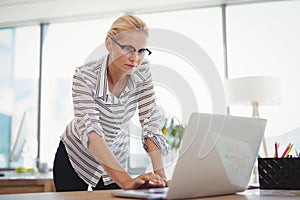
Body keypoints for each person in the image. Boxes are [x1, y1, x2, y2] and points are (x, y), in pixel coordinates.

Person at [53, 14, 169, 192]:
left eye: (141, 51)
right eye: (128, 49)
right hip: (76, 157)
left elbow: (150, 122)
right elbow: (90, 129)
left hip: (116, 156)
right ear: (109, 43)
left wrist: (162, 179)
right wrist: (125, 181)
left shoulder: (142, 72)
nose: (135, 58)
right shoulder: (85, 76)